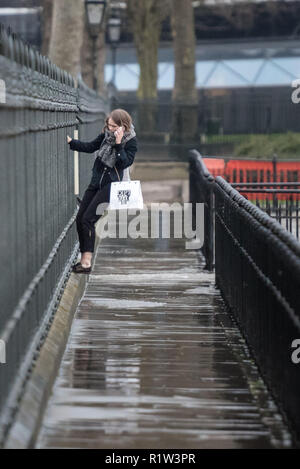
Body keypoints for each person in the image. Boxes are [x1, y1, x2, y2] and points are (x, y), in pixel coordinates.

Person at [67, 108, 137, 273]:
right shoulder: (106, 136)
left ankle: (86, 262)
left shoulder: (131, 141)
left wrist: (119, 144)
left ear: (123, 126)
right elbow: (91, 146)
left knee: (88, 220)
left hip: (111, 187)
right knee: (80, 219)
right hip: (95, 182)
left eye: (113, 126)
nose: (110, 129)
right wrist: (71, 142)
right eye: (109, 125)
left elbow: (124, 163)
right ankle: (84, 259)